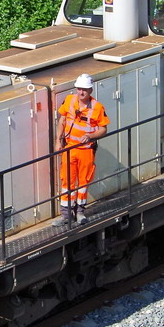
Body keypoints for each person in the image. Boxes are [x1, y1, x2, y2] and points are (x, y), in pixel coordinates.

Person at [53, 74, 110, 227]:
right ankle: (66, 215)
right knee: (67, 181)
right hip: (69, 148)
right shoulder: (69, 100)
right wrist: (58, 140)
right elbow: (62, 120)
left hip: (86, 150)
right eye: (79, 89)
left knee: (83, 182)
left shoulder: (97, 107)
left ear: (90, 90)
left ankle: (80, 213)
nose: (81, 92)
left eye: (84, 89)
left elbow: (103, 129)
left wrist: (90, 136)